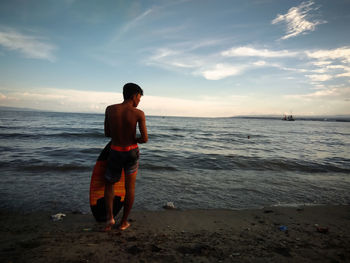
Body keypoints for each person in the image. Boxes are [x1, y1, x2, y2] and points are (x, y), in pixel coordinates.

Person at [104, 83, 148, 231]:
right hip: (131, 152)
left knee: (109, 185)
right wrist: (133, 138)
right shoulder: (138, 113)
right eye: (139, 97)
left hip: (115, 151)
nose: (139, 101)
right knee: (130, 188)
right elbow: (144, 139)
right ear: (134, 95)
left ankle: (109, 219)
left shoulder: (110, 109)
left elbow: (107, 133)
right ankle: (123, 222)